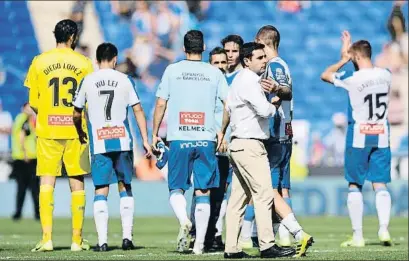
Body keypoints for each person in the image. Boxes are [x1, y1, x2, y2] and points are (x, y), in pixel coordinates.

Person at [152, 30, 229, 255]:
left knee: (176, 188)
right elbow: (228, 103)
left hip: (179, 138)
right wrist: (221, 131)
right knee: (203, 192)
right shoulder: (214, 72)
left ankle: (185, 219)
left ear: (184, 49)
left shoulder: (172, 70)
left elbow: (160, 104)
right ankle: (199, 246)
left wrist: (155, 134)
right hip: (206, 139)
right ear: (204, 48)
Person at [218, 42, 295, 259]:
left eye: (264, 56)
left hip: (238, 144)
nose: (264, 61)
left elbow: (228, 108)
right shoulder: (251, 80)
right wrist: (276, 103)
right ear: (247, 61)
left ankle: (231, 248)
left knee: (238, 199)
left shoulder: (239, 80)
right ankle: (267, 245)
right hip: (250, 144)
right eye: (259, 58)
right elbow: (265, 111)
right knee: (263, 194)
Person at [72, 43, 152, 251]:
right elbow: (138, 110)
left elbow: (76, 112)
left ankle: (103, 242)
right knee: (125, 185)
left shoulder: (87, 80)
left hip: (99, 143)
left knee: (101, 189)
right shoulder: (125, 80)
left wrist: (80, 132)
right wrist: (145, 139)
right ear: (115, 59)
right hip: (123, 141)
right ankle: (127, 238)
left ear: (97, 60)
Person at [24, 19, 94, 252]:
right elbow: (89, 100)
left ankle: (47, 239)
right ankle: (77, 240)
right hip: (75, 130)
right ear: (73, 37)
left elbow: (33, 102)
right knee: (77, 179)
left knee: (47, 180)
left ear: (56, 35)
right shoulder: (83, 63)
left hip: (49, 129)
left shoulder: (39, 61)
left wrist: (48, 114)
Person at [321, 31, 393, 247]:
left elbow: (325, 75)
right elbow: (369, 76)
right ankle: (384, 230)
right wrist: (352, 56)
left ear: (356, 57)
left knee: (355, 184)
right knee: (380, 183)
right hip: (382, 134)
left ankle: (358, 236)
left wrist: (343, 59)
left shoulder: (352, 79)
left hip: (359, 134)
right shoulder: (386, 74)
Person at [255, 25, 313, 256]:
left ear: (264, 42)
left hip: (277, 134)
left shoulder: (275, 65)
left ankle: (292, 233)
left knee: (268, 189)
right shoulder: (282, 64)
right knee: (280, 188)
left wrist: (274, 96)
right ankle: (285, 236)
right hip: (285, 133)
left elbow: (285, 91)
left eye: (257, 43)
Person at [11, 102, 38, 221]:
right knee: (33, 188)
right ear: (23, 109)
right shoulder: (25, 120)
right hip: (26, 158)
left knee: (22, 187)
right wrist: (25, 153)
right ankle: (37, 213)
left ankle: (18, 213)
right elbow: (22, 136)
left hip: (21, 157)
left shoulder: (20, 119)